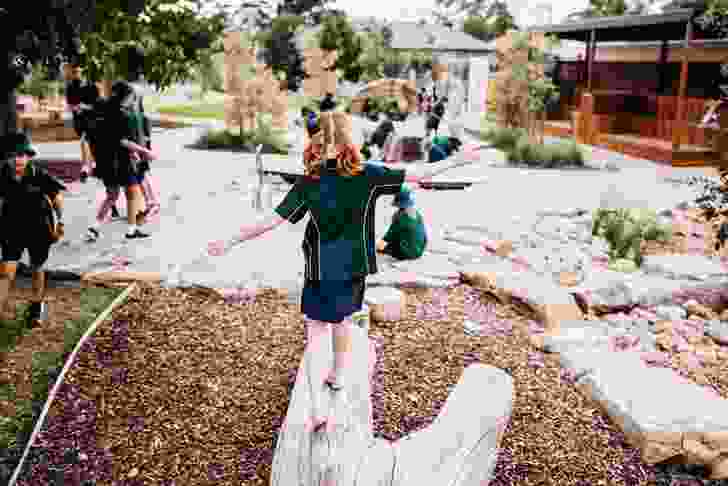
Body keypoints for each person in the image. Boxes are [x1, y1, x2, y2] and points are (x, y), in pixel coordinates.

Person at [206, 111, 437, 430]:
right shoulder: (368, 174)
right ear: (347, 141)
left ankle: (316, 408)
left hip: (320, 268)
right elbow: (420, 174)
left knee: (316, 332)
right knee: (342, 319)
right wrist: (460, 159)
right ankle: (339, 376)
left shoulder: (309, 182)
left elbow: (271, 221)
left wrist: (230, 240)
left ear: (317, 142)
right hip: (354, 266)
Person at [0, 133, 66, 327]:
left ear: (29, 156)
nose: (18, 159)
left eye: (22, 155)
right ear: (7, 157)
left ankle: (37, 305)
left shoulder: (38, 174)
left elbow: (56, 197)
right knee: (6, 271)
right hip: (11, 227)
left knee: (37, 267)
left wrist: (60, 222)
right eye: (13, 155)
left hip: (39, 227)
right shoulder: (2, 174)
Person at [84, 80, 157, 241]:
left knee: (112, 196)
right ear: (126, 97)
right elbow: (123, 141)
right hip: (121, 161)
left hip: (105, 162)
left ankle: (94, 227)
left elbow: (93, 138)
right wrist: (145, 151)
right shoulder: (122, 114)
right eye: (132, 97)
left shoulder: (102, 111)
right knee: (132, 194)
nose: (133, 100)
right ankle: (131, 230)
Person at [376, 186, 427, 260]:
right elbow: (424, 237)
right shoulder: (418, 214)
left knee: (385, 247)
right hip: (419, 251)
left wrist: (379, 247)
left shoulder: (399, 217)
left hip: (407, 253)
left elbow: (389, 236)